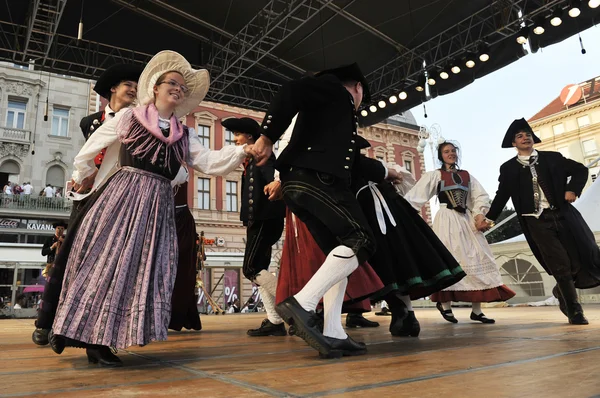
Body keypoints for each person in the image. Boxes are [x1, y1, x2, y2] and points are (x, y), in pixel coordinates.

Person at [48, 50, 253, 367]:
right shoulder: (130, 117)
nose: (178, 88)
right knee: (108, 264)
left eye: (183, 86)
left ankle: (108, 337)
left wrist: (242, 150)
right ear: (155, 88)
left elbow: (210, 162)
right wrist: (80, 177)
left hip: (158, 209)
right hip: (123, 200)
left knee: (137, 273)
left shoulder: (184, 134)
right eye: (172, 82)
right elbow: (90, 149)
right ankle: (85, 336)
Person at [251, 63, 403, 358]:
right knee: (362, 240)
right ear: (358, 88)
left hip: (301, 185)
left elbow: (350, 160)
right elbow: (291, 89)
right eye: (362, 98)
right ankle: (303, 304)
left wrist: (383, 170)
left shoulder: (329, 113)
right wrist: (266, 137)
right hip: (316, 180)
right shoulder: (334, 89)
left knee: (342, 251)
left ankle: (334, 332)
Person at [32, 64, 143, 347]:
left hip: (116, 199)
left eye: (136, 85)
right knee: (71, 259)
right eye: (128, 83)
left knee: (105, 265)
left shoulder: (140, 121)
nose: (133, 89)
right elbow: (87, 154)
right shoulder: (90, 122)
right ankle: (50, 323)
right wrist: (80, 177)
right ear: (113, 89)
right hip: (85, 200)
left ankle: (91, 337)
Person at [486, 118, 600, 325]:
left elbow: (581, 170)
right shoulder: (509, 168)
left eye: (528, 134)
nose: (525, 137)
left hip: (564, 215)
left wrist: (572, 189)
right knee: (560, 264)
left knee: (588, 252)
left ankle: (560, 290)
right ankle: (575, 311)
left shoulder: (552, 158)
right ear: (514, 143)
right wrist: (489, 219)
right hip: (536, 222)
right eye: (520, 136)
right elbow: (502, 195)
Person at [405, 141, 515, 324]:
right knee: (450, 258)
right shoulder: (436, 175)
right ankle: (445, 305)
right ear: (441, 156)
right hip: (446, 220)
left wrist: (479, 214)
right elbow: (417, 195)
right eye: (446, 151)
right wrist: (405, 213)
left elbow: (480, 197)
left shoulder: (466, 176)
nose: (451, 154)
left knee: (478, 256)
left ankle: (477, 310)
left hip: (465, 220)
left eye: (453, 151)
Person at [223, 117, 286, 337]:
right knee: (260, 268)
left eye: (237, 135)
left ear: (249, 137)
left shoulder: (264, 160)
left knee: (250, 269)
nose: (235, 140)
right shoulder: (252, 161)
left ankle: (292, 303)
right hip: (259, 220)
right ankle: (275, 321)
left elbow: (275, 186)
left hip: (264, 220)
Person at [168, 167, 202, 332]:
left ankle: (179, 316)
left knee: (181, 271)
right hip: (166, 219)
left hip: (181, 222)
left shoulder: (179, 167)